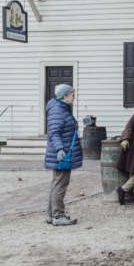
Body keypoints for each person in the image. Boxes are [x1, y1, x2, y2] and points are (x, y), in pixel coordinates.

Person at [44, 84, 83, 226]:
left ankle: (51, 215)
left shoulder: (62, 109)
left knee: (56, 183)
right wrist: (60, 150)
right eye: (72, 94)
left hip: (63, 153)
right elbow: (54, 133)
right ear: (64, 96)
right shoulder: (58, 110)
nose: (75, 97)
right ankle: (58, 216)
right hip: (63, 155)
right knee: (60, 184)